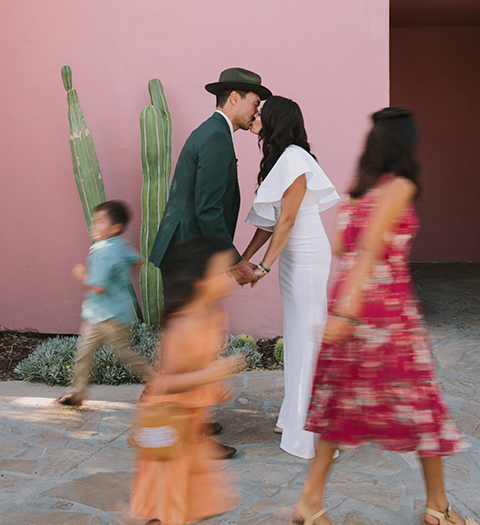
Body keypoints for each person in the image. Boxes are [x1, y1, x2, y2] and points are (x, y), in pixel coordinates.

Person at [290, 107, 478, 525]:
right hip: (384, 311)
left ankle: (310, 501)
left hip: (349, 302)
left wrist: (343, 307)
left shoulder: (358, 190)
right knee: (422, 405)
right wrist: (352, 310)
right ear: (406, 144)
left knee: (340, 405)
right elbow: (373, 249)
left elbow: (342, 246)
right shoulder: (400, 187)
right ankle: (438, 508)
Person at [149, 67, 272, 458]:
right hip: (189, 255)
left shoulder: (214, 132)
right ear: (233, 97)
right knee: (189, 348)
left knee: (190, 342)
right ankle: (189, 433)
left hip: (187, 251)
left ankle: (193, 422)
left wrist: (260, 134)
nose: (257, 113)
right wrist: (236, 264)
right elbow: (207, 209)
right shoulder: (217, 138)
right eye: (255, 104)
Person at [242, 96, 340, 459]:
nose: (254, 115)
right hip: (293, 256)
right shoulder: (283, 158)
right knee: (298, 335)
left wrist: (264, 267)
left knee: (307, 336)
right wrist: (245, 257)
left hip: (307, 255)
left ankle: (311, 429)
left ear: (276, 120)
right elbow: (269, 221)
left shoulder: (296, 158)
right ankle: (294, 415)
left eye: (260, 112)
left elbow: (287, 220)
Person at [128, 236, 241, 525]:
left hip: (192, 428)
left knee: (188, 498)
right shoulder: (182, 324)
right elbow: (166, 384)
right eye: (221, 271)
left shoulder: (214, 315)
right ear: (197, 279)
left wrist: (214, 386)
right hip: (170, 425)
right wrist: (213, 374)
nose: (228, 277)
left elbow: (198, 366)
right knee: (169, 499)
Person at [58, 201, 153, 407]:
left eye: (100, 222)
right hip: (115, 312)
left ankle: (155, 380)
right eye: (95, 221)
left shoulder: (103, 252)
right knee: (115, 351)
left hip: (104, 316)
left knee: (95, 353)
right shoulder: (120, 245)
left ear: (115, 227)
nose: (95, 225)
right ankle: (78, 393)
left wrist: (82, 275)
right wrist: (123, 280)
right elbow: (138, 260)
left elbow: (97, 287)